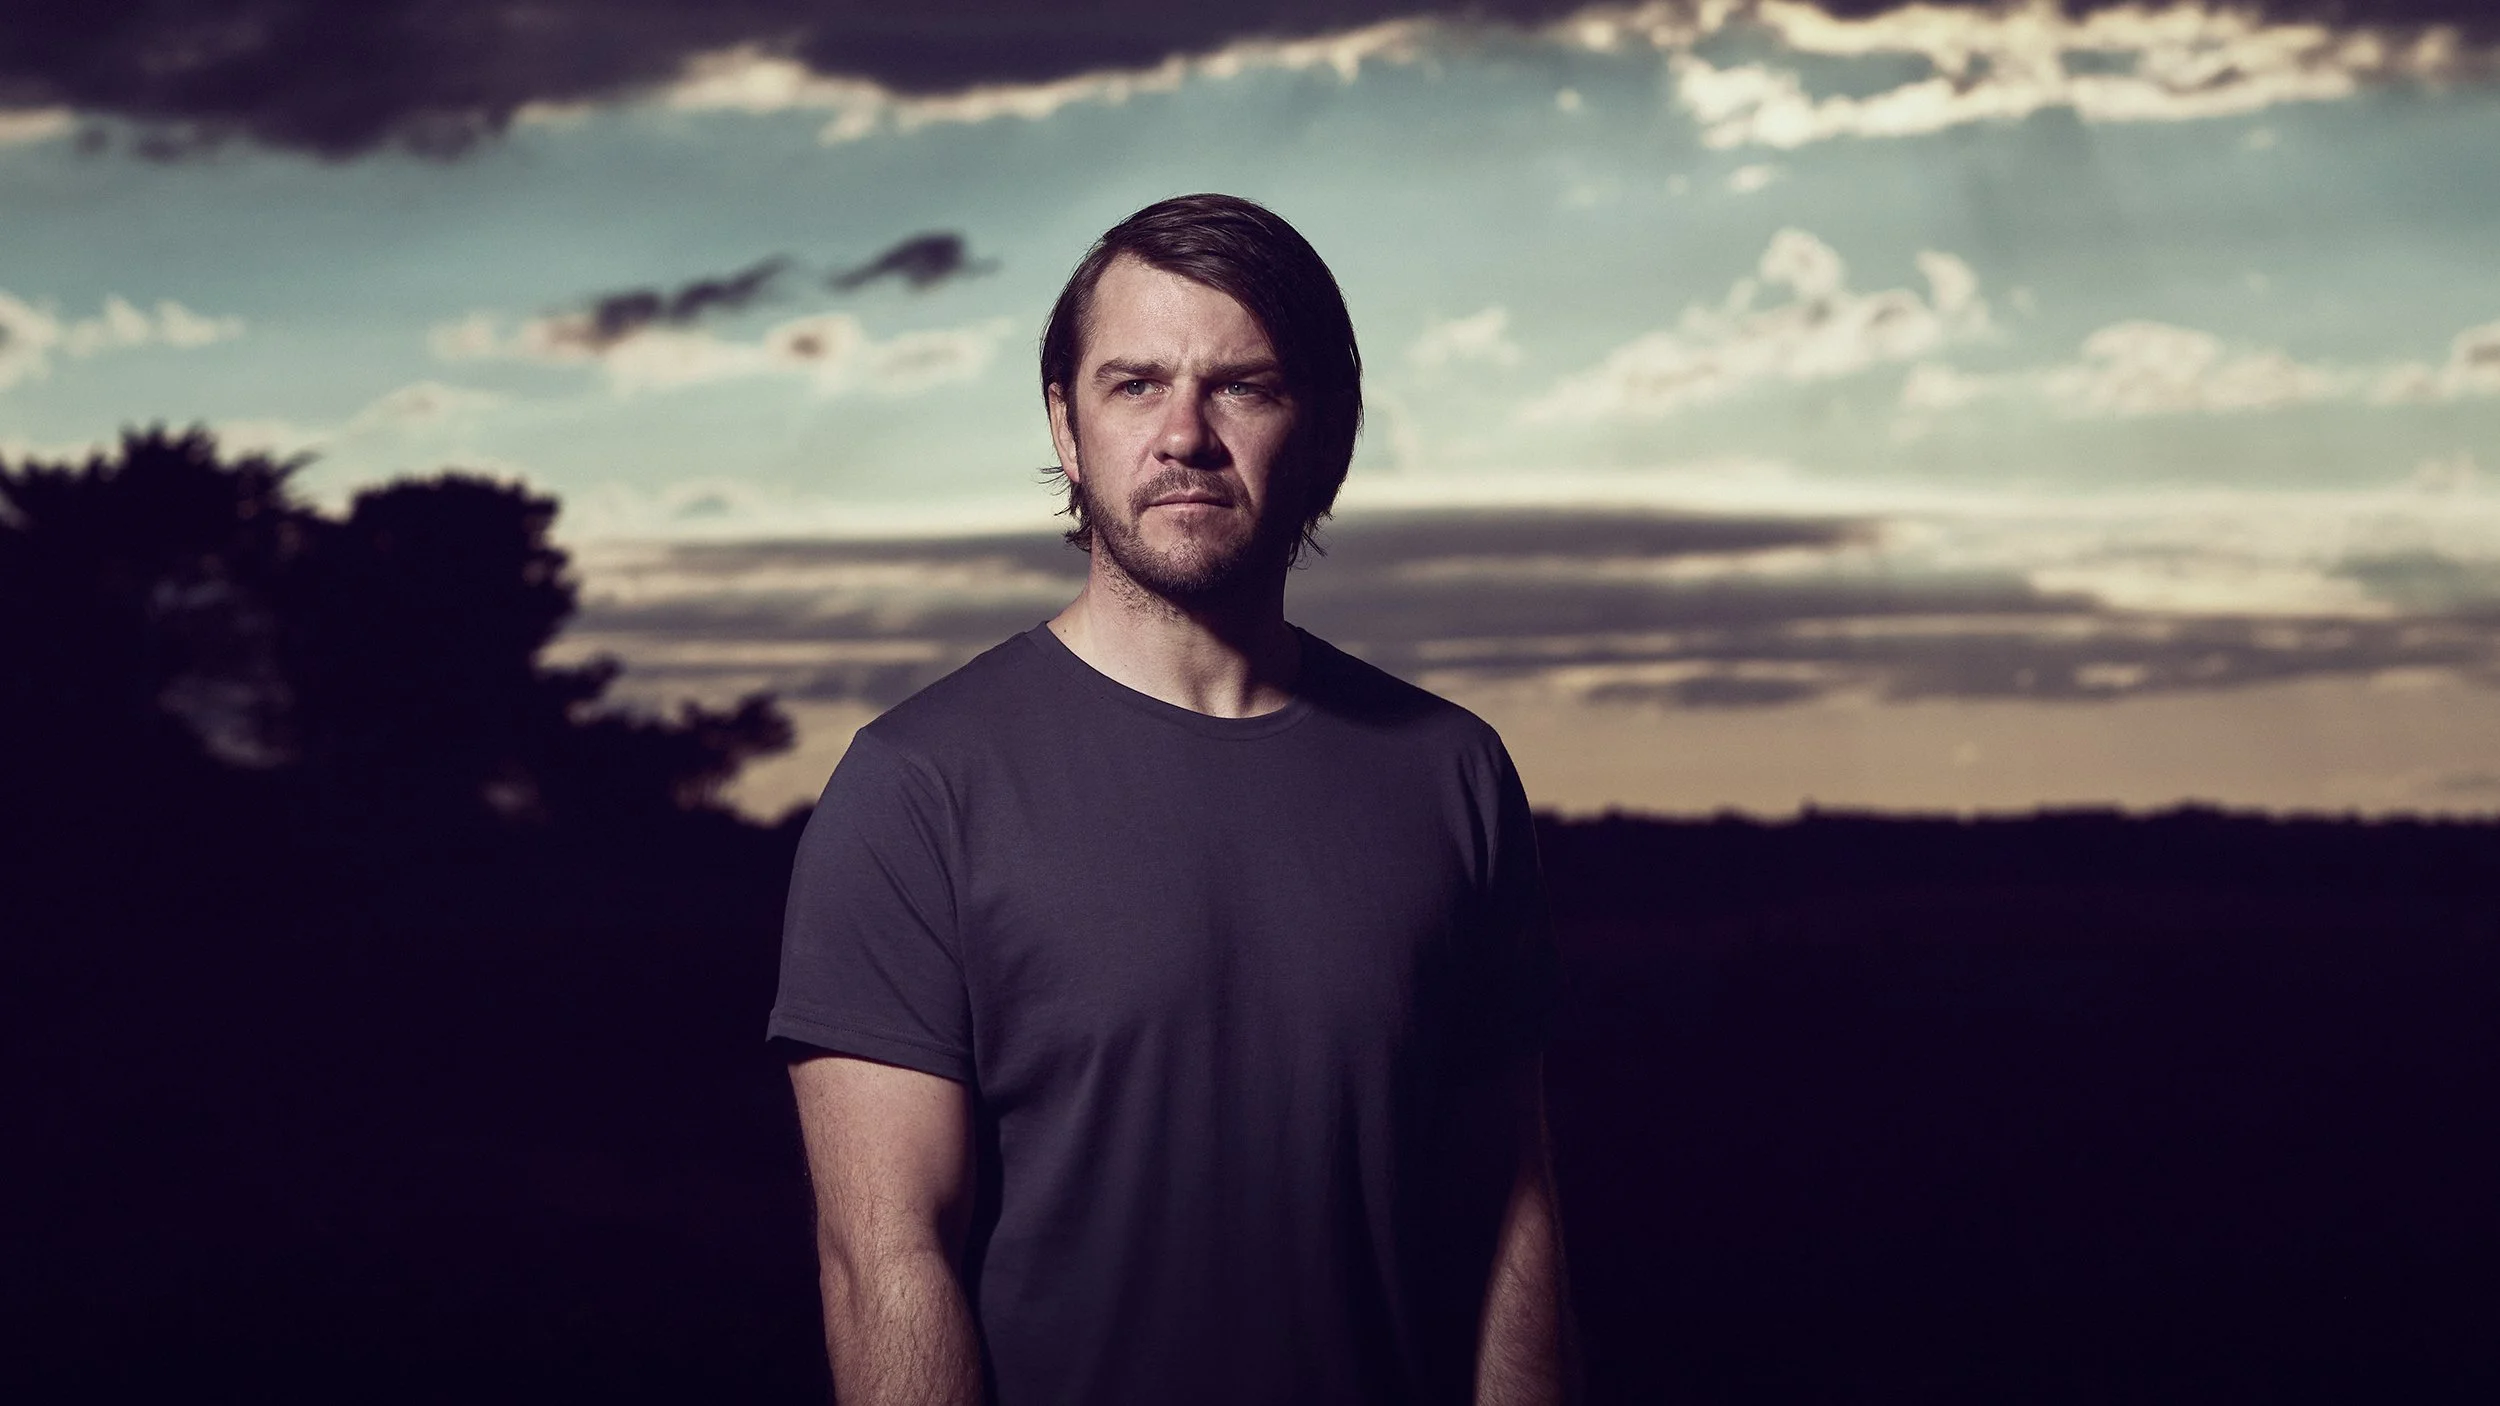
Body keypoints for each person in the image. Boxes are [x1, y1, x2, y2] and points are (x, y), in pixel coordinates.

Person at [769, 193, 1574, 1405]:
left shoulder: (1450, 770)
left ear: (1326, 431)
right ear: (1066, 422)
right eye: (1135, 383)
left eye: (1242, 385)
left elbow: (1509, 1211)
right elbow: (884, 1259)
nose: (1184, 433)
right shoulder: (915, 787)